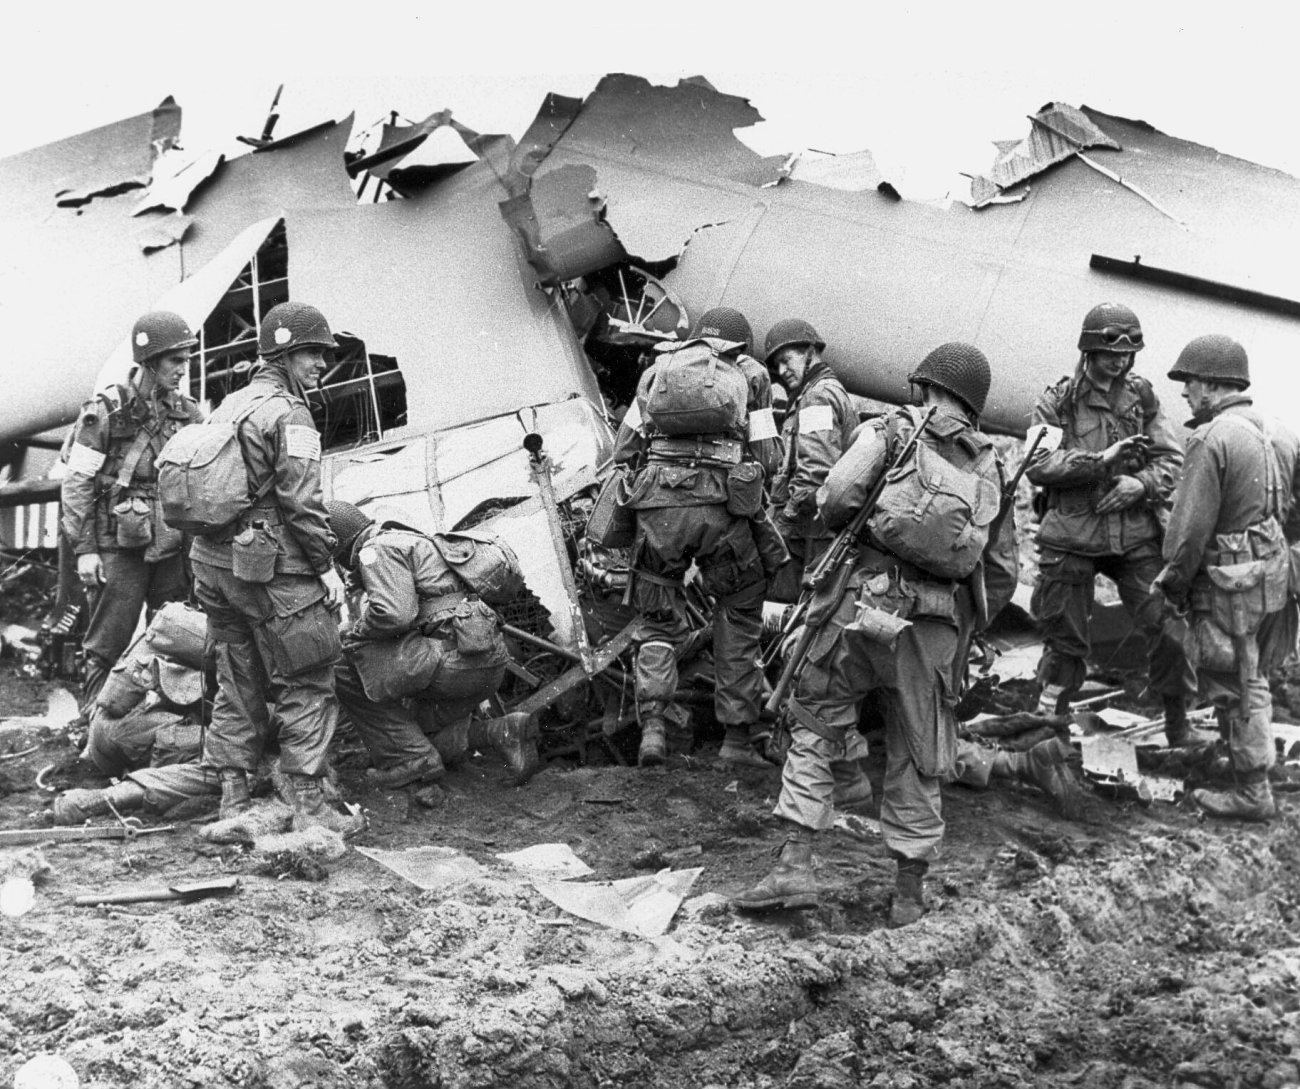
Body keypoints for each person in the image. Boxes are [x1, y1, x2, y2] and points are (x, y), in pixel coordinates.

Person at [734, 343, 1021, 926]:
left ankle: (794, 866)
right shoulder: (991, 465)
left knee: (815, 720)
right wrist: (957, 628)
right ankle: (909, 894)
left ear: (922, 387)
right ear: (975, 405)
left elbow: (835, 496)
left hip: (858, 606)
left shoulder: (890, 430)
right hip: (934, 629)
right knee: (920, 753)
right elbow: (1003, 571)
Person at [187, 301, 360, 836]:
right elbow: (302, 503)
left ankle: (234, 798)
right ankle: (311, 804)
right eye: (311, 353)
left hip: (213, 566)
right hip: (271, 568)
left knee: (236, 676)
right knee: (307, 675)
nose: (321, 365)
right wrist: (326, 566)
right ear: (283, 354)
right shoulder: (290, 412)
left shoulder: (228, 404)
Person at [613, 306, 780, 768]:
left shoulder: (656, 372)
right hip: (721, 510)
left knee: (658, 617)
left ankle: (653, 730)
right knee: (739, 609)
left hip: (658, 508)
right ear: (738, 346)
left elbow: (623, 449)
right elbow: (768, 457)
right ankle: (736, 742)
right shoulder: (754, 375)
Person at [1026, 303, 1195, 745]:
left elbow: (1170, 459)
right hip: (1074, 535)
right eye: (1109, 354)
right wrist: (1099, 462)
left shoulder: (1141, 395)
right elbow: (1037, 464)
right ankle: (1047, 734)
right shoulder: (1058, 400)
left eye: (1127, 354)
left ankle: (1179, 728)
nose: (1119, 361)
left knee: (1170, 628)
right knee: (1065, 645)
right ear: (1089, 352)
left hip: (1133, 533)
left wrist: (1140, 485)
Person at [1154, 335, 1300, 821]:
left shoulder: (1211, 437)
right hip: (1273, 576)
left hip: (1226, 585)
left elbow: (1190, 529)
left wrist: (1173, 584)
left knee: (1236, 680)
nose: (1186, 395)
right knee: (1251, 671)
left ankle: (1252, 789)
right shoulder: (1280, 431)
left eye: (1190, 384)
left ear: (1212, 385)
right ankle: (1242, 764)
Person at [325, 501, 539, 790]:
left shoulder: (373, 550)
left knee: (341, 660)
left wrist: (356, 634)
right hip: (485, 663)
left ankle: (412, 761)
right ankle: (501, 731)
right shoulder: (409, 538)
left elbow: (394, 613)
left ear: (336, 543)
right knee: (412, 732)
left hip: (452, 663)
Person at [60, 311, 204, 706]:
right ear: (150, 360)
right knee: (108, 641)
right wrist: (86, 550)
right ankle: (93, 725)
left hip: (171, 543)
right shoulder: (105, 411)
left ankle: (162, 719)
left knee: (173, 633)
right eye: (176, 360)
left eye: (186, 360)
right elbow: (77, 484)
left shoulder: (188, 413)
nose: (183, 369)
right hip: (119, 544)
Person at [762, 319, 858, 601]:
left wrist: (782, 525)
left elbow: (816, 472)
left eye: (786, 360)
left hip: (807, 531)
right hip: (812, 529)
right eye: (776, 365)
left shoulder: (817, 397)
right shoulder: (822, 390)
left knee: (781, 609)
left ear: (811, 351)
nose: (781, 371)